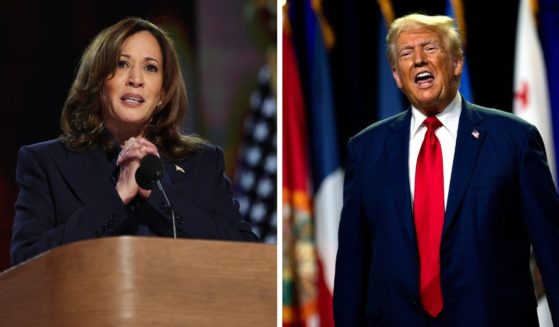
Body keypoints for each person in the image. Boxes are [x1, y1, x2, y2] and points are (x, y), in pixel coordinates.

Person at [333, 13, 559, 326]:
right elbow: (351, 268)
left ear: (456, 63)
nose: (419, 60)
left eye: (430, 48)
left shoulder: (514, 140)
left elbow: (553, 254)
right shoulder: (366, 150)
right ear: (397, 75)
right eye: (406, 54)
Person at [11, 17, 259, 266]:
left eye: (150, 68)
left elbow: (247, 254)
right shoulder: (47, 163)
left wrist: (159, 197)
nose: (136, 79)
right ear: (98, 82)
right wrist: (117, 197)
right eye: (121, 64)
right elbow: (26, 264)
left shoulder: (203, 163)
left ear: (162, 94)